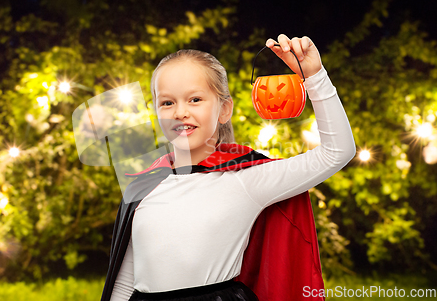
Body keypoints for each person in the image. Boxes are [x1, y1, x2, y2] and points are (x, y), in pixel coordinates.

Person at [101, 34, 357, 301]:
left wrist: (314, 75)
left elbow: (337, 151)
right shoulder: (143, 186)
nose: (180, 112)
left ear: (224, 110)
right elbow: (125, 281)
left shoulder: (246, 180)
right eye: (167, 102)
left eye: (195, 100)